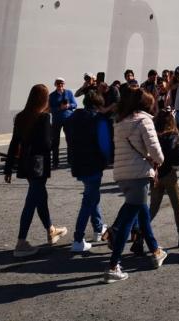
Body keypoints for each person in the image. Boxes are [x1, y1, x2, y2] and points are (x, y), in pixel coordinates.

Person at [104, 89, 167, 283]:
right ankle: (114, 265)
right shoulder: (144, 121)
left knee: (141, 212)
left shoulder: (120, 121)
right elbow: (155, 150)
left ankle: (156, 250)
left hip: (122, 174)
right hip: (139, 173)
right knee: (129, 220)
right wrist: (159, 160)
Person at [3, 84, 68, 257]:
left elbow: (14, 143)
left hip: (25, 164)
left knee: (40, 197)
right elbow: (47, 144)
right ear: (43, 99)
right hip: (39, 165)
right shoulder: (44, 117)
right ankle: (21, 242)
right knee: (32, 201)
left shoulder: (21, 117)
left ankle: (51, 230)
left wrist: (8, 168)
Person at [64, 90, 111, 252]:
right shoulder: (99, 120)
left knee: (92, 195)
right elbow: (104, 145)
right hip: (93, 163)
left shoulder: (72, 119)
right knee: (89, 200)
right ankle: (78, 238)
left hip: (78, 163)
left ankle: (98, 228)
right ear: (98, 105)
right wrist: (108, 160)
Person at [149, 110, 179, 248]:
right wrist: (177, 166)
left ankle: (139, 233)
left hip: (157, 173)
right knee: (178, 206)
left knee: (153, 207)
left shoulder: (154, 135)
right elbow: (174, 153)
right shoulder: (173, 134)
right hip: (170, 173)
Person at [48, 77, 77, 169]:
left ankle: (71, 160)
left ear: (64, 84)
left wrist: (68, 105)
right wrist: (59, 108)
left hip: (68, 119)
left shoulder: (69, 93)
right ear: (55, 85)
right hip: (57, 120)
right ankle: (55, 162)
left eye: (62, 84)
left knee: (70, 140)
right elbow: (49, 109)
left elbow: (75, 104)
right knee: (55, 142)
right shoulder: (51, 95)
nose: (60, 85)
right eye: (58, 84)